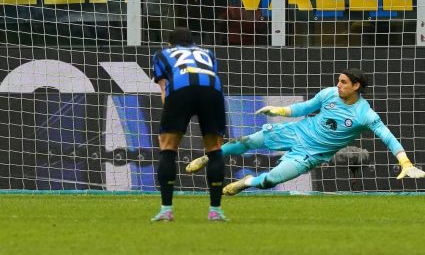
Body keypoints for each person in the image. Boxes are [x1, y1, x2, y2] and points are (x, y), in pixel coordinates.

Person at [186, 69, 425, 196]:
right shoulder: (329, 94)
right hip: (295, 131)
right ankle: (210, 157)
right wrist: (279, 110)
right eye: (338, 81)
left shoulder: (366, 115)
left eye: (343, 82)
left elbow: (387, 137)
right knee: (247, 141)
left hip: (310, 154)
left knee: (270, 180)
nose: (338, 85)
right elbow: (305, 108)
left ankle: (246, 182)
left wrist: (405, 162)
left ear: (356, 86)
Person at [150, 27, 228, 222]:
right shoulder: (208, 53)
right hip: (212, 90)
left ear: (170, 43)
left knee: (168, 147)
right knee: (214, 148)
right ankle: (215, 211)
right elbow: (211, 75)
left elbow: (164, 88)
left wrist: (171, 116)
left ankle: (166, 210)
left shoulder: (162, 54)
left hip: (181, 90)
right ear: (193, 42)